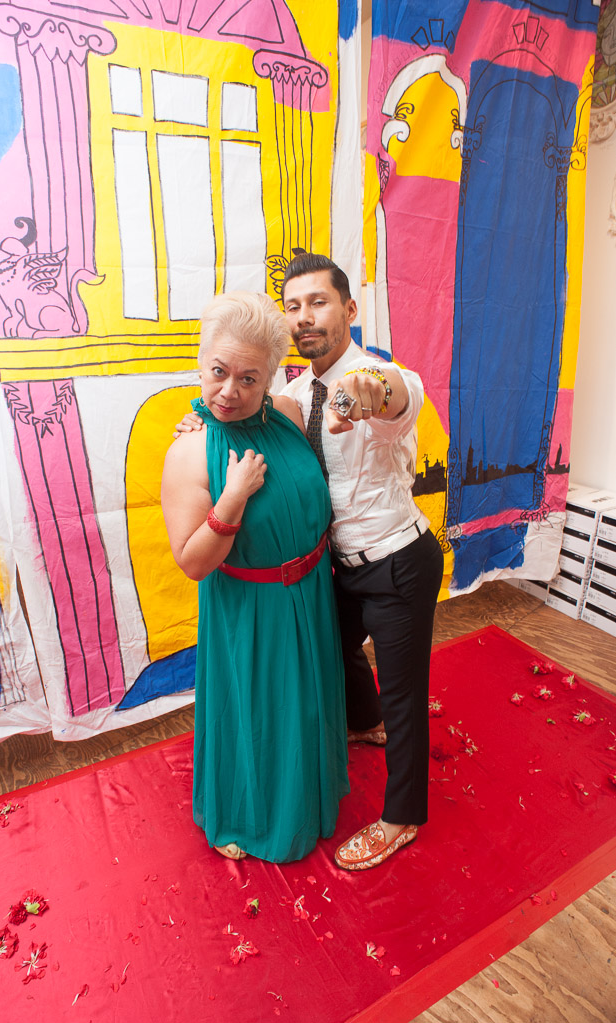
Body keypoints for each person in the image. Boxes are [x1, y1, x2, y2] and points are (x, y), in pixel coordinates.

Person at [161, 290, 348, 863]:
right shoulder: (190, 452)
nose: (229, 392)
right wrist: (233, 497)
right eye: (219, 372)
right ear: (201, 362)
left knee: (304, 711)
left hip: (311, 594)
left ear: (271, 378)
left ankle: (308, 796)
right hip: (251, 610)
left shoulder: (288, 415)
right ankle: (244, 813)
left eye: (249, 378)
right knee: (259, 717)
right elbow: (193, 562)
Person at [280, 252, 444, 871]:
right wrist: (200, 423)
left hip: (399, 561)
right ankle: (367, 720)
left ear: (349, 309)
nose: (304, 316)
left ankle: (402, 817)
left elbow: (392, 393)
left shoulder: (378, 375)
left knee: (406, 695)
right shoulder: (295, 395)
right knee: (334, 648)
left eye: (318, 302)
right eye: (293, 307)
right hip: (340, 565)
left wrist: (365, 394)